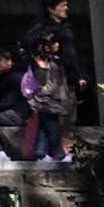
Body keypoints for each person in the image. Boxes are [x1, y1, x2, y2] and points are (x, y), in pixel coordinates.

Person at [21, 33, 75, 166]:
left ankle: (41, 152)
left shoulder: (53, 60)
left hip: (50, 98)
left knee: (45, 126)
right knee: (52, 126)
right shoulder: (41, 62)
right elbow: (43, 82)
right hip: (47, 99)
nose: (57, 45)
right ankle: (58, 154)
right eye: (54, 43)